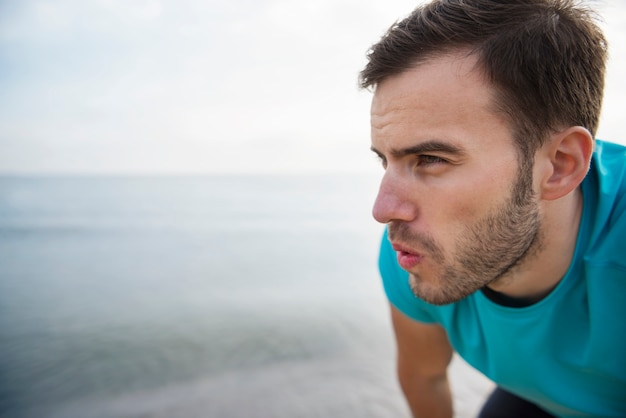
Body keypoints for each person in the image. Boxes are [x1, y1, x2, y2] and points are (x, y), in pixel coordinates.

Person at [358, 0, 626, 417]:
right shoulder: (417, 250)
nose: (384, 209)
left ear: (559, 165)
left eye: (431, 158)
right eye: (386, 160)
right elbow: (425, 378)